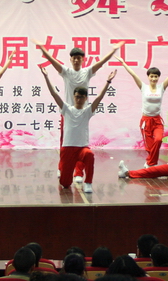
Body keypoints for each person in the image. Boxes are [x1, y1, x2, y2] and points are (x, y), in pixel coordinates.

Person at [33, 39, 124, 177]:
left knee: (82, 143)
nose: (76, 60)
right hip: (67, 112)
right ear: (70, 59)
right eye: (74, 58)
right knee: (65, 142)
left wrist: (113, 51)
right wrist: (42, 48)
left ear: (83, 60)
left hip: (83, 113)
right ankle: (62, 167)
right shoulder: (66, 71)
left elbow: (102, 62)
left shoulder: (87, 72)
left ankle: (79, 172)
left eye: (79, 58)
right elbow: (52, 60)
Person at [41, 65, 117, 194]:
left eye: (81, 97)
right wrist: (46, 77)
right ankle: (67, 178)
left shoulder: (87, 111)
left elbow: (99, 98)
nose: (78, 99)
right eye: (76, 96)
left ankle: (88, 183)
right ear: (73, 97)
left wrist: (108, 82)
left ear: (85, 98)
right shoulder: (66, 109)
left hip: (82, 148)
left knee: (90, 155)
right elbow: (54, 94)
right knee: (65, 184)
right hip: (68, 148)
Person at [116, 52, 168, 167]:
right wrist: (123, 63)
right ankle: (151, 163)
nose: (154, 78)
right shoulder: (144, 87)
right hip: (146, 121)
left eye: (156, 76)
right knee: (149, 147)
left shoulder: (161, 87)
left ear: (158, 77)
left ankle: (150, 163)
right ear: (148, 77)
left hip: (157, 121)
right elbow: (133, 74)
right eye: (151, 76)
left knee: (158, 140)